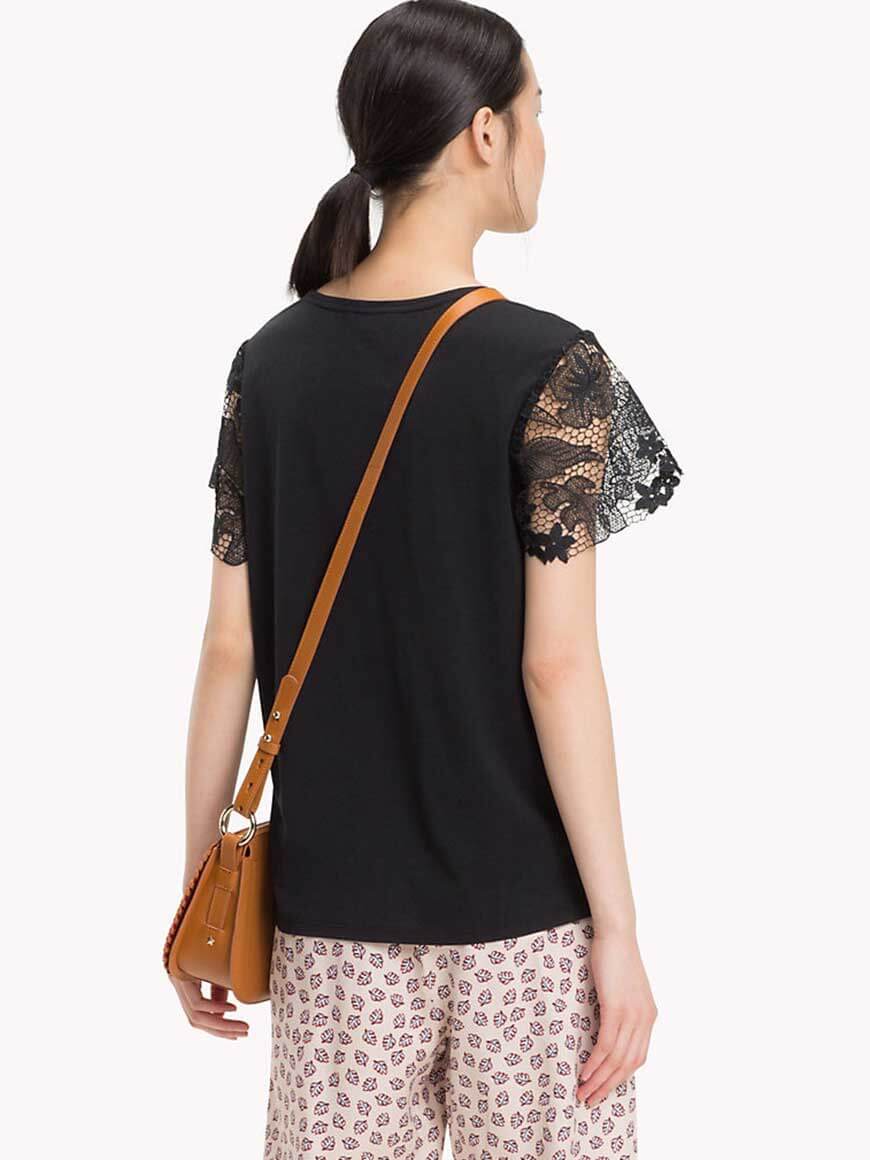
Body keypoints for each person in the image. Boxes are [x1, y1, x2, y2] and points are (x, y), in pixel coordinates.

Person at [171, 3, 682, 1157]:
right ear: (486, 134)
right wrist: (618, 927)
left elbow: (228, 648)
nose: (544, 139)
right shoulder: (552, 365)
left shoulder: (269, 366)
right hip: (528, 926)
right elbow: (557, 667)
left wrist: (200, 886)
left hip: (331, 928)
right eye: (538, 111)